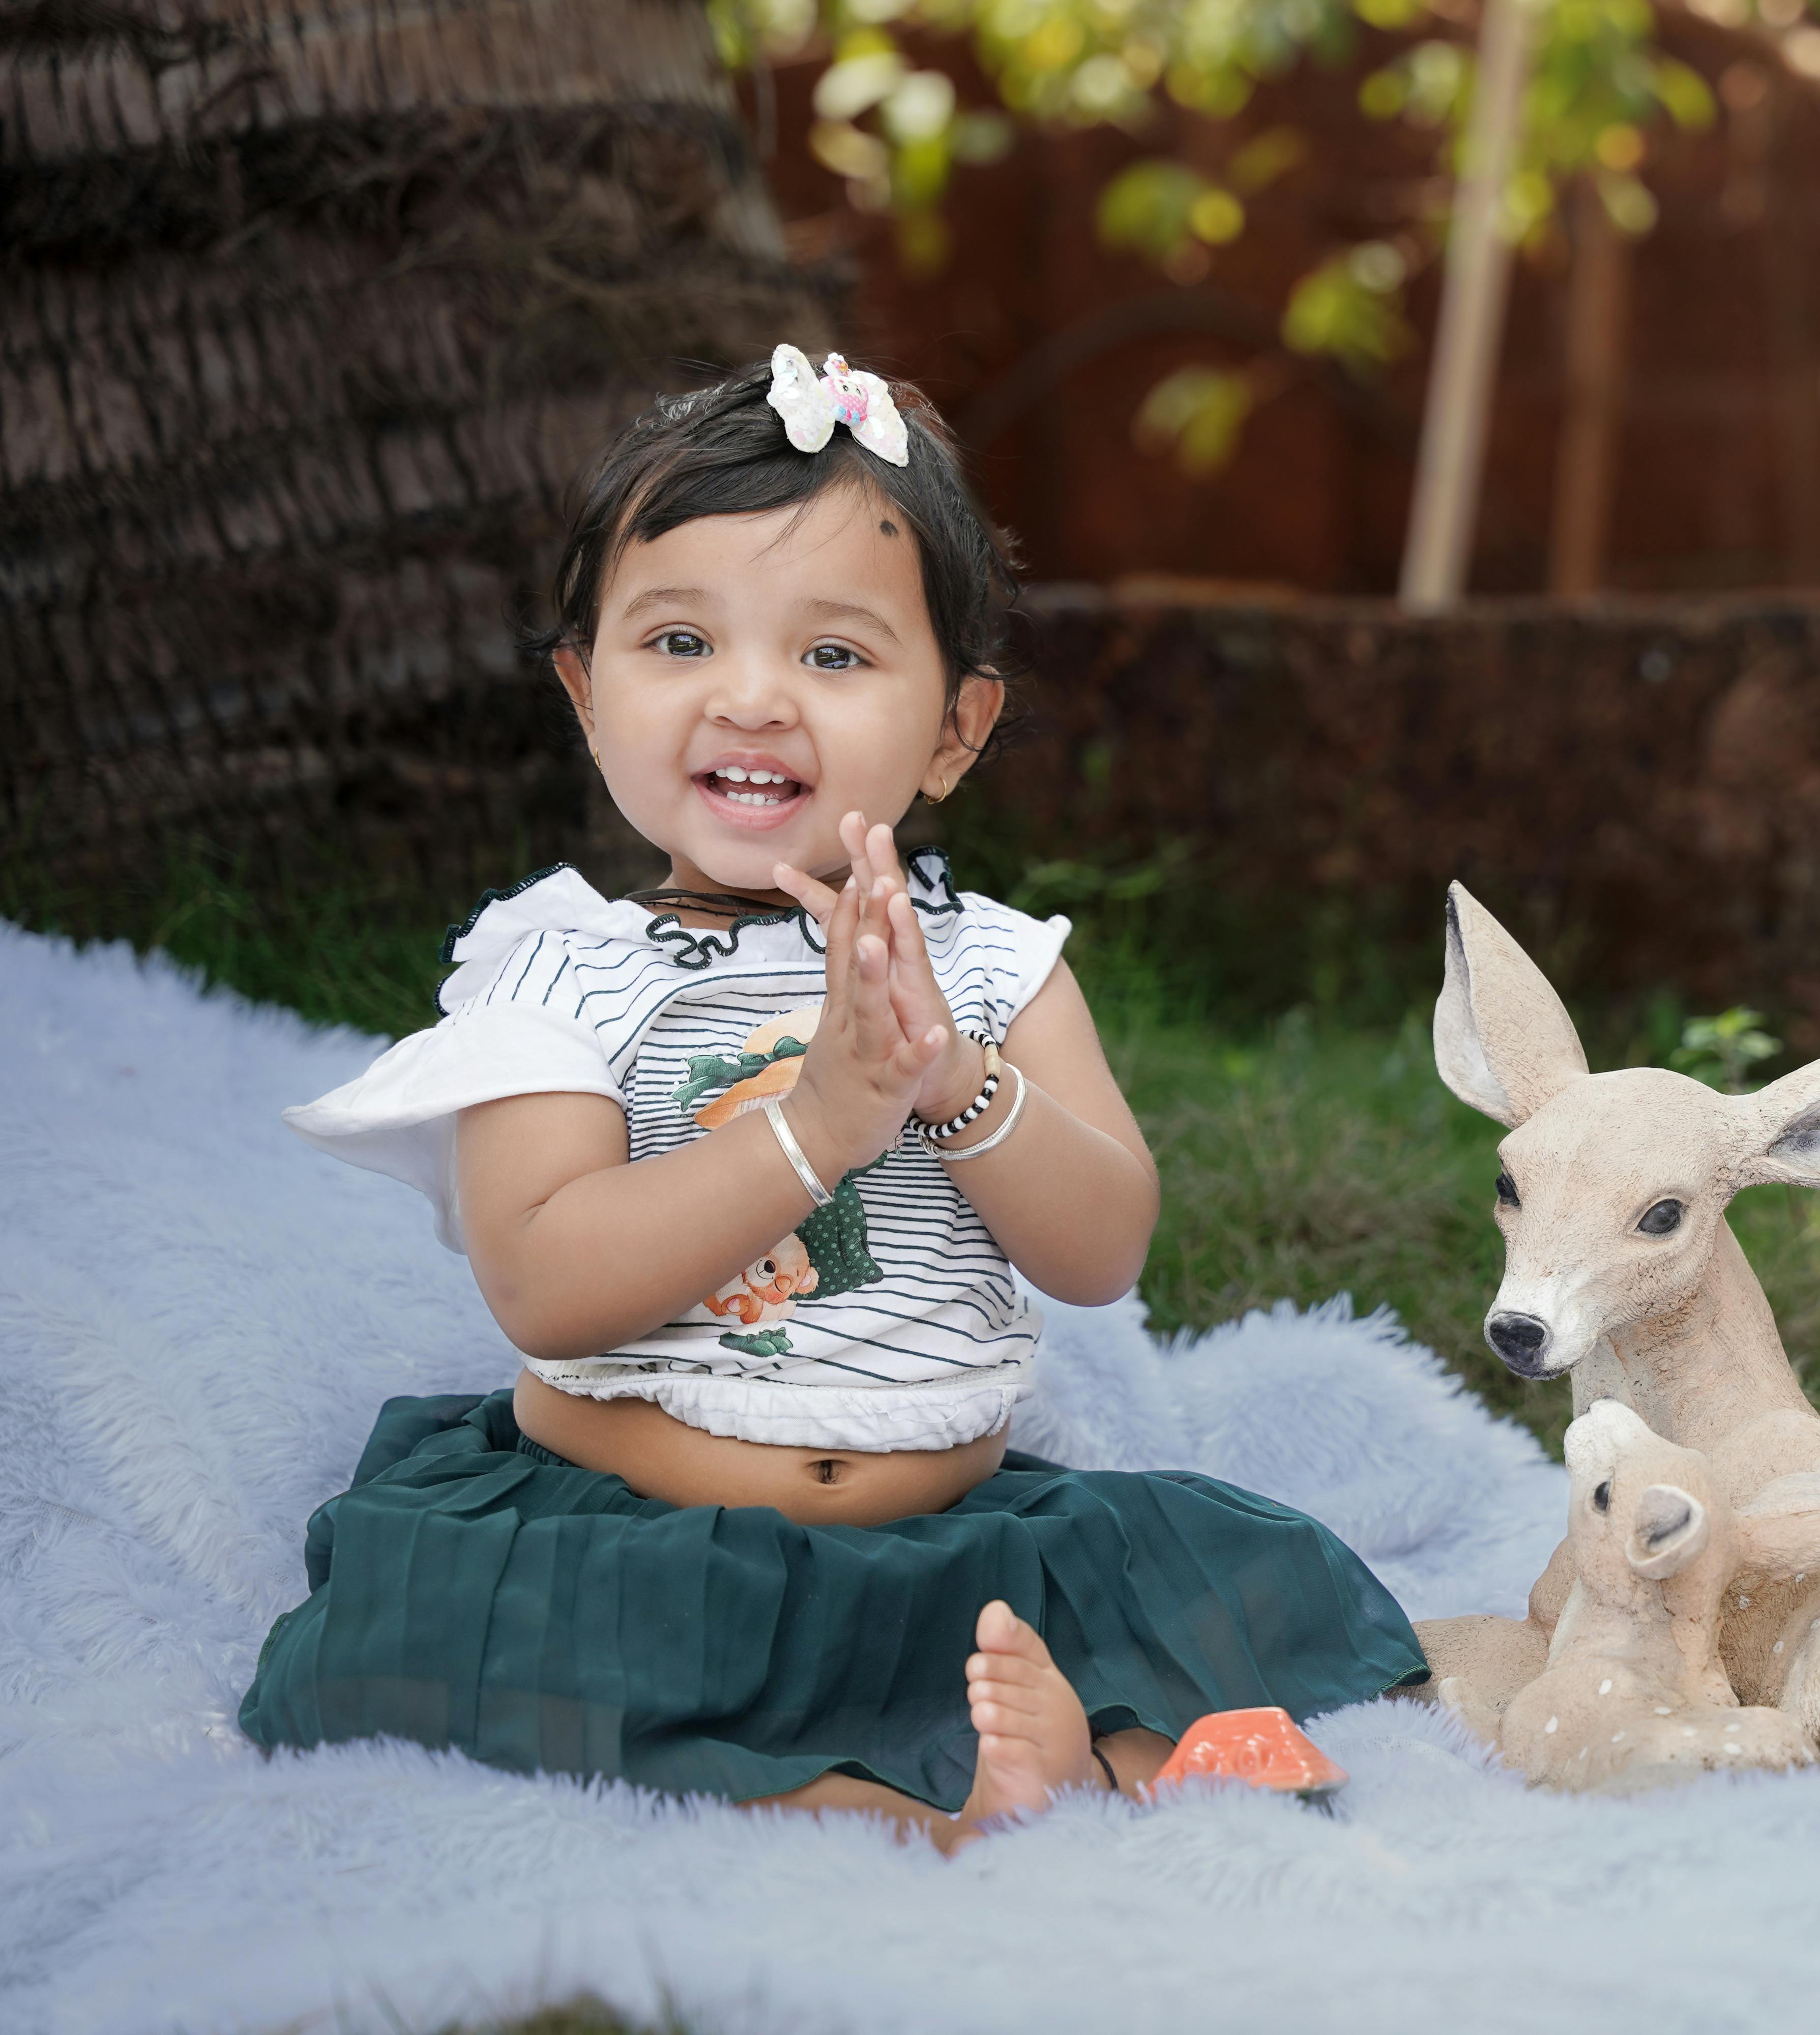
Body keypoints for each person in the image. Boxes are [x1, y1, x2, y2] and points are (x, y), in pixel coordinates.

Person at [241, 347, 1427, 1849]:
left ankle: (1096, 1743)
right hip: (649, 1539)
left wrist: (950, 1078)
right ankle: (893, 1807)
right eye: (679, 641)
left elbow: (1101, 1250)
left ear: (957, 730)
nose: (752, 701)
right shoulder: (560, 968)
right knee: (461, 1642)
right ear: (582, 688)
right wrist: (815, 1126)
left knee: (1205, 1567)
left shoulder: (987, 966)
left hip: (935, 1541)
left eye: (836, 657)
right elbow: (545, 1281)